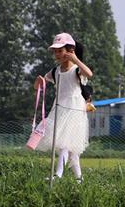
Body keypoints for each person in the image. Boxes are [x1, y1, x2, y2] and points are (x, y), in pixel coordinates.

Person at [33, 32, 93, 182]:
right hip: (59, 108)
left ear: (70, 50)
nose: (58, 54)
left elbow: (89, 74)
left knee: (66, 143)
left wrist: (75, 60)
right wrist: (38, 81)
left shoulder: (76, 70)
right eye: (55, 51)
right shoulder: (55, 71)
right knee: (69, 148)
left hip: (74, 109)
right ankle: (80, 180)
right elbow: (39, 86)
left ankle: (57, 175)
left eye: (60, 50)